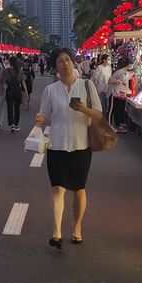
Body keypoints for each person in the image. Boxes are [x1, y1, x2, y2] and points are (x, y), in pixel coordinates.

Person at [35, 47, 103, 248]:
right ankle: (56, 232)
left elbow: (98, 115)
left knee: (79, 190)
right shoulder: (51, 90)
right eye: (60, 61)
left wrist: (83, 109)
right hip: (57, 145)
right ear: (55, 67)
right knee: (58, 188)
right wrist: (40, 119)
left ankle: (77, 228)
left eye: (67, 60)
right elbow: (44, 115)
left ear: (73, 63)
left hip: (81, 145)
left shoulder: (87, 86)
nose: (65, 64)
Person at [5, 55, 29, 132]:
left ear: (9, 62)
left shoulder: (7, 71)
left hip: (9, 90)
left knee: (10, 107)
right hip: (17, 90)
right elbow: (23, 82)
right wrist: (26, 93)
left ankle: (11, 124)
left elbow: (4, 82)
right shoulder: (20, 70)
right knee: (17, 108)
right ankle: (16, 124)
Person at [107, 60, 133, 131]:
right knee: (113, 109)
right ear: (128, 64)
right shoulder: (119, 72)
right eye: (131, 64)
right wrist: (119, 82)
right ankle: (109, 125)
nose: (132, 66)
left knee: (119, 109)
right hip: (114, 93)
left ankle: (118, 125)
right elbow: (110, 80)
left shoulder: (127, 73)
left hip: (121, 93)